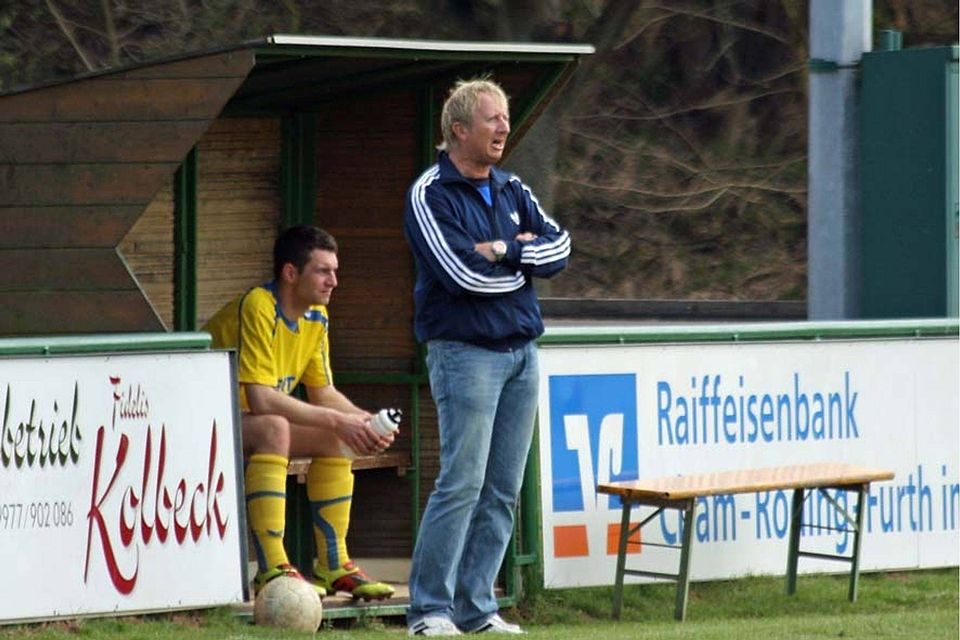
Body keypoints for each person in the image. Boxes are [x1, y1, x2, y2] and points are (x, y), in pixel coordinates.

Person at [403, 78, 571, 636]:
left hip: (522, 353)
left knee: (501, 488)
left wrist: (507, 251)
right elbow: (461, 276)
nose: (503, 128)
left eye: (505, 118)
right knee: (462, 483)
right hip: (465, 355)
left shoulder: (512, 187)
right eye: (492, 119)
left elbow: (561, 248)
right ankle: (429, 610)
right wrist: (524, 267)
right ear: (459, 130)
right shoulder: (430, 192)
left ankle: (476, 609)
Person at [204, 225, 396, 601]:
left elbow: (324, 392)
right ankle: (273, 568)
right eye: (324, 271)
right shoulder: (260, 305)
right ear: (291, 273)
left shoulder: (316, 318)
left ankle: (334, 565)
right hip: (201, 422)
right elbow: (260, 398)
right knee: (276, 426)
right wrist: (339, 420)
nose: (334, 282)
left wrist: (363, 422)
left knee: (342, 437)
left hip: (247, 425)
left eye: (335, 271)